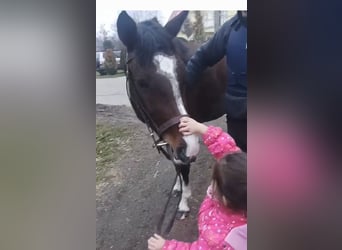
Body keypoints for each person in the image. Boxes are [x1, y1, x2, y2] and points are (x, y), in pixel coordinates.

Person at [147, 116, 247, 250]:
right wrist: (201, 129)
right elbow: (228, 150)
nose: (212, 184)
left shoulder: (219, 240)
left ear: (224, 199)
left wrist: (166, 246)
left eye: (214, 181)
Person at [186, 11, 247, 152]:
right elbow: (201, 58)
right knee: (237, 160)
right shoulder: (230, 28)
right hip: (237, 116)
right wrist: (183, 89)